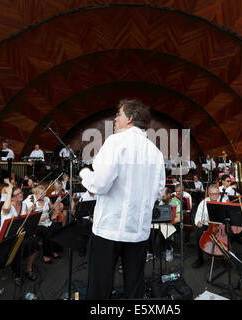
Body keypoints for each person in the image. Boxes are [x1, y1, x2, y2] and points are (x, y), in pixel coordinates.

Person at [79, 98, 165, 299]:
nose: (115, 118)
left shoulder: (116, 142)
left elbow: (100, 184)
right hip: (139, 232)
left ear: (130, 118)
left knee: (100, 289)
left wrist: (84, 173)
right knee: (135, 288)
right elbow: (158, 192)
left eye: (118, 114)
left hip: (109, 229)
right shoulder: (156, 152)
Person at [0, 180, 40, 285]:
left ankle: (28, 268)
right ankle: (17, 274)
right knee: (19, 246)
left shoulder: (24, 205)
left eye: (21, 193)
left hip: (20, 234)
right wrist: (8, 193)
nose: (21, 195)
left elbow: (26, 223)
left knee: (35, 241)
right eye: (17, 194)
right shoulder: (6, 207)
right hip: (8, 236)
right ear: (11, 197)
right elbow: (7, 208)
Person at [24, 185, 63, 263]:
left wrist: (58, 201)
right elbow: (27, 216)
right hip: (37, 224)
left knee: (57, 229)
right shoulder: (31, 198)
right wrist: (37, 218)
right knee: (47, 233)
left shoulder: (46, 199)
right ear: (36, 194)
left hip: (47, 222)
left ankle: (54, 250)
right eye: (41, 193)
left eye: (44, 193)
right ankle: (46, 255)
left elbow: (52, 207)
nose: (43, 195)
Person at [193, 185, 220, 268]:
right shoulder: (203, 202)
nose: (215, 196)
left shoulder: (223, 200)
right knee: (198, 233)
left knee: (229, 234)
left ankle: (225, 257)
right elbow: (198, 215)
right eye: (212, 194)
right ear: (208, 194)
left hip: (220, 226)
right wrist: (198, 222)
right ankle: (200, 259)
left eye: (216, 194)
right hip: (207, 225)